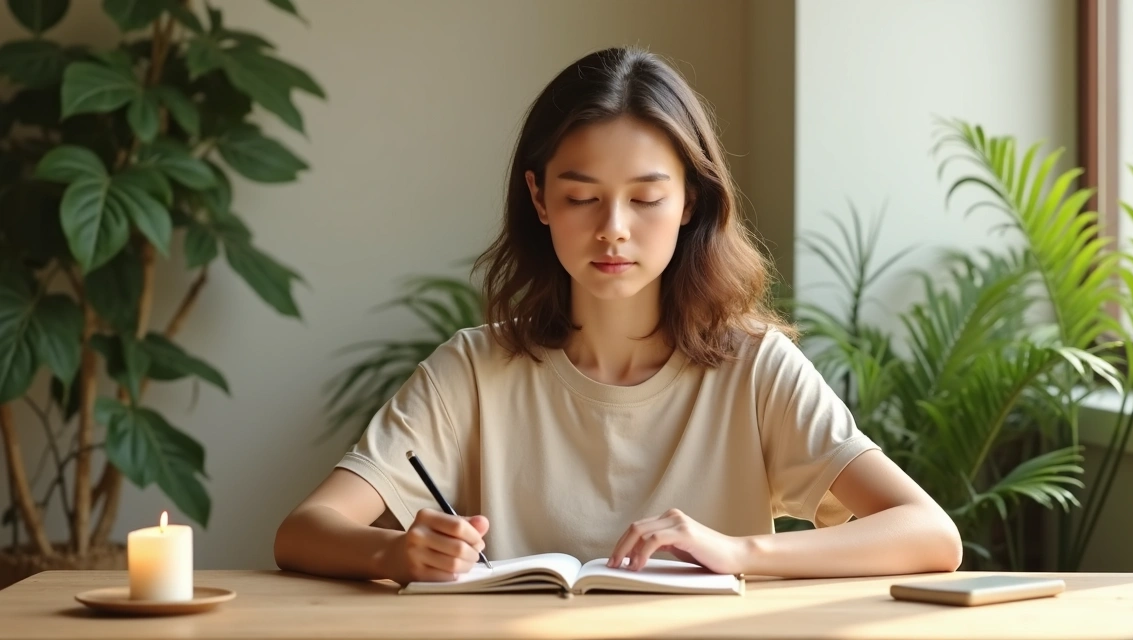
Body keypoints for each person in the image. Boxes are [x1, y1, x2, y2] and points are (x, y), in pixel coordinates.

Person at [274, 46, 962, 586]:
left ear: (690, 201)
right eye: (582, 198)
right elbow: (305, 529)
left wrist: (736, 551)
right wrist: (394, 553)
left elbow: (930, 533)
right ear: (539, 199)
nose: (613, 229)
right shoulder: (473, 368)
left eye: (646, 198)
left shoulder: (755, 367)